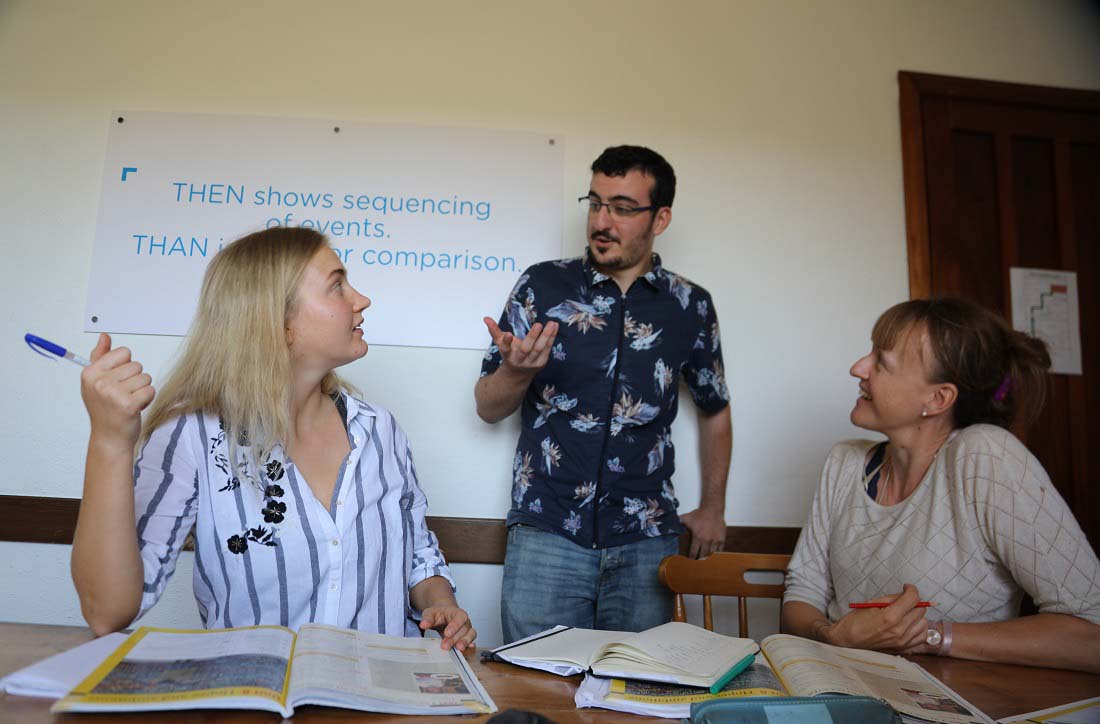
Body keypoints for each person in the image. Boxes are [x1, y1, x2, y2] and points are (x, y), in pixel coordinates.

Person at [72, 227, 476, 651]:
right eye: (337, 286)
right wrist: (109, 441)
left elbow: (417, 554)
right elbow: (107, 612)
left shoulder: (379, 429)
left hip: (380, 704)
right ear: (279, 324)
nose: (361, 300)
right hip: (255, 707)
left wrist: (441, 603)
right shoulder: (192, 433)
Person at [475, 145, 733, 642]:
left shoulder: (690, 305)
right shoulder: (542, 285)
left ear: (661, 218)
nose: (602, 220)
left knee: (636, 703)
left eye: (622, 207)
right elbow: (488, 407)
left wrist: (714, 508)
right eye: (594, 203)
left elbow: (715, 408)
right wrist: (516, 371)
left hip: (647, 540)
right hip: (547, 532)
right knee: (536, 694)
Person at [782, 297, 1100, 673]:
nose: (858, 368)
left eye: (881, 363)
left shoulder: (985, 456)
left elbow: (1091, 633)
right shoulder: (844, 461)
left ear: (938, 398)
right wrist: (831, 636)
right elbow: (802, 595)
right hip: (841, 691)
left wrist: (930, 636)